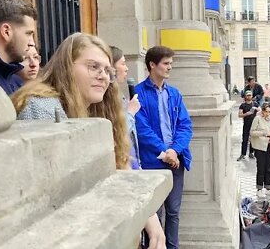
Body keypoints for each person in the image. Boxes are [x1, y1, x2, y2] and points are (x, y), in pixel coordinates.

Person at [10, 33, 165, 249]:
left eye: (106, 70)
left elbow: (120, 163)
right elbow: (47, 201)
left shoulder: (97, 108)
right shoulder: (41, 108)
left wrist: (150, 217)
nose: (102, 76)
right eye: (93, 67)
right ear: (66, 66)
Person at [135, 46, 193, 249]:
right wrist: (165, 152)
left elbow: (185, 125)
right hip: (153, 162)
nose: (170, 68)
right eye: (166, 63)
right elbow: (142, 130)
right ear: (152, 64)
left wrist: (175, 150)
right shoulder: (138, 93)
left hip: (176, 160)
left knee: (174, 211)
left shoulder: (174, 93)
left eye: (171, 63)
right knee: (154, 213)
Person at [110, 45, 142, 169]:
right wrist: (130, 113)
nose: (127, 68)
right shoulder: (104, 100)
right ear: (111, 68)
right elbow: (116, 134)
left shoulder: (120, 96)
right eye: (123, 64)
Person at [250, 102, 270, 198]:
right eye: (266, 111)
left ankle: (268, 187)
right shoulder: (257, 119)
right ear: (263, 111)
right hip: (260, 146)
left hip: (268, 145)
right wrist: (263, 133)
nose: (267, 113)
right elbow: (252, 132)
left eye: (269, 112)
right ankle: (259, 188)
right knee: (261, 168)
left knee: (268, 167)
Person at [237, 90, 257, 161]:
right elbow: (239, 115)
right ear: (245, 96)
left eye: (250, 95)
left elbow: (261, 112)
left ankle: (251, 153)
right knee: (245, 139)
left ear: (252, 96)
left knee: (252, 139)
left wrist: (256, 109)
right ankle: (243, 154)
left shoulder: (255, 104)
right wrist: (246, 114)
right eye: (248, 95)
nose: (249, 96)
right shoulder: (243, 105)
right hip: (246, 124)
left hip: (254, 124)